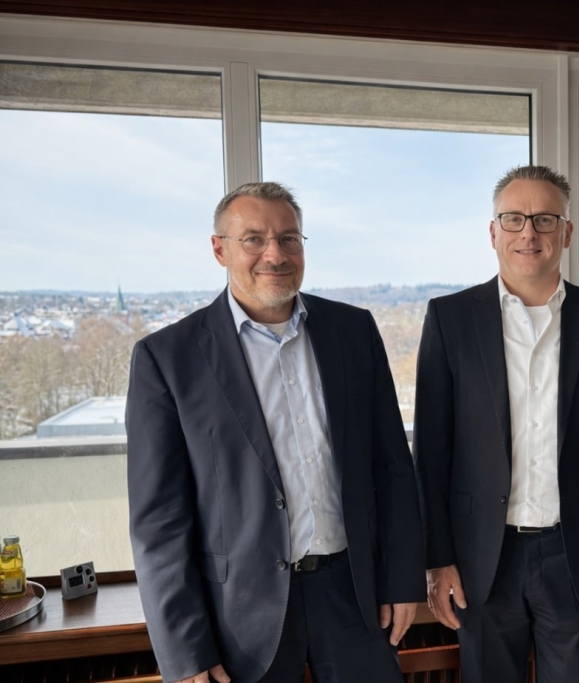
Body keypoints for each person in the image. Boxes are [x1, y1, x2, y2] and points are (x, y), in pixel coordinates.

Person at [126, 182, 425, 683]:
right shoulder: (167, 359)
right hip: (241, 615)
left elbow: (392, 467)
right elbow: (159, 523)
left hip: (355, 596)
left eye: (289, 238)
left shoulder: (354, 331)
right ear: (219, 248)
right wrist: (185, 650)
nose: (275, 254)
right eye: (254, 239)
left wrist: (402, 580)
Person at [413, 165, 579, 683]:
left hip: (576, 555)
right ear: (493, 232)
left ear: (565, 232)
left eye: (545, 219)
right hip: (482, 558)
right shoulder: (449, 319)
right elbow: (431, 454)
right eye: (514, 219)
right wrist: (438, 560)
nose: (529, 233)